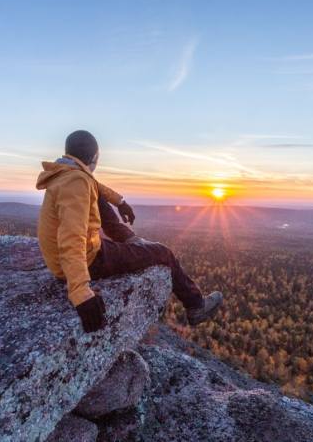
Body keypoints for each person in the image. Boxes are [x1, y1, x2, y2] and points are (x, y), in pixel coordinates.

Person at [36, 130, 223, 333]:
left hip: (63, 259)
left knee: (97, 196)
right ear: (94, 158)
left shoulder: (68, 174)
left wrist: (120, 202)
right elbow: (72, 237)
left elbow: (95, 186)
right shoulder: (77, 183)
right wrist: (80, 292)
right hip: (87, 260)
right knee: (164, 253)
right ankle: (196, 306)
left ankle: (131, 240)